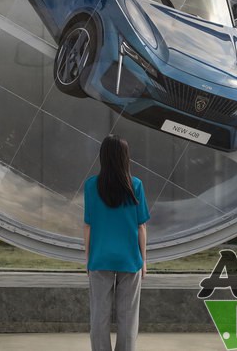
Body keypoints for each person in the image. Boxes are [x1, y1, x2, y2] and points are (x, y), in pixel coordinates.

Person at [84, 134, 150, 351]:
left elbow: (89, 226)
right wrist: (144, 261)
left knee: (99, 317)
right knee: (128, 318)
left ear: (102, 156)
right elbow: (141, 227)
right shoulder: (136, 185)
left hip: (100, 257)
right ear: (125, 157)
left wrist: (88, 259)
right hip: (130, 259)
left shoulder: (91, 185)